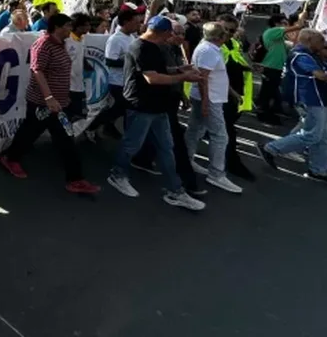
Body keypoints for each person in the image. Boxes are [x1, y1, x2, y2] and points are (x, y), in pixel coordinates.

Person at [106, 16, 206, 210]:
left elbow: (159, 69)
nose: (172, 37)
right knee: (131, 145)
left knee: (166, 148)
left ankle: (175, 191)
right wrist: (183, 76)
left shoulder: (154, 47)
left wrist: (178, 68)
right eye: (170, 33)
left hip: (158, 106)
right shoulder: (140, 48)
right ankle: (118, 175)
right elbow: (152, 78)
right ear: (163, 33)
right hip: (141, 105)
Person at [0, 13, 100, 193]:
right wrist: (48, 98)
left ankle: (75, 179)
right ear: (58, 27)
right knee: (29, 132)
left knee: (65, 139)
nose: (71, 29)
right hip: (42, 103)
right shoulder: (43, 44)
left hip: (59, 104)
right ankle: (10, 158)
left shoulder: (61, 44)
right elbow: (37, 71)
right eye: (68, 26)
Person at [260, 29, 327, 185]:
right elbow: (322, 75)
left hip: (321, 100)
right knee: (313, 135)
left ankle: (318, 170)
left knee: (325, 138)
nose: (324, 44)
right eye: (320, 41)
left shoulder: (312, 56)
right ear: (309, 40)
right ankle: (271, 148)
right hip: (310, 100)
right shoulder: (300, 56)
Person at [185, 23, 244, 194]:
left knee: (195, 130)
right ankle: (216, 174)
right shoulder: (208, 51)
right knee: (220, 136)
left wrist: (232, 92)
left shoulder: (210, 49)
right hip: (210, 99)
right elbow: (203, 78)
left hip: (210, 98)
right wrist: (205, 103)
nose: (229, 36)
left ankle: (187, 160)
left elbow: (218, 76)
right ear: (219, 37)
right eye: (226, 33)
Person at [86, 6, 144, 138]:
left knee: (122, 108)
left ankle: (108, 126)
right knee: (122, 107)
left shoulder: (131, 37)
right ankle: (93, 126)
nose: (138, 25)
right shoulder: (115, 39)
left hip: (127, 80)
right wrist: (131, 62)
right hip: (117, 81)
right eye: (135, 22)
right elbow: (110, 61)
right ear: (126, 22)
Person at [218, 15, 256, 181]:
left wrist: (248, 67)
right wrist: (232, 93)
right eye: (223, 29)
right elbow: (216, 75)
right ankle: (229, 164)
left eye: (231, 30)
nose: (227, 33)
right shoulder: (213, 46)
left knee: (207, 130)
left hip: (234, 94)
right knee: (226, 132)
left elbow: (234, 62)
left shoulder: (233, 44)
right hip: (221, 95)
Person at [256, 11, 305, 124]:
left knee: (271, 91)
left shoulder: (279, 38)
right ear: (276, 23)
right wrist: (302, 18)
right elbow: (297, 27)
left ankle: (271, 111)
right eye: (284, 23)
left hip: (275, 68)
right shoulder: (272, 31)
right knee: (267, 92)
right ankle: (263, 113)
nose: (286, 25)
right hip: (270, 67)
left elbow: (294, 44)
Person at [65, 13, 91, 120]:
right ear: (78, 26)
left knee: (81, 114)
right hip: (68, 86)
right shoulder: (66, 41)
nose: (89, 28)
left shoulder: (82, 39)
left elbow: (80, 56)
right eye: (86, 25)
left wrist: (86, 65)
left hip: (79, 84)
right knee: (70, 115)